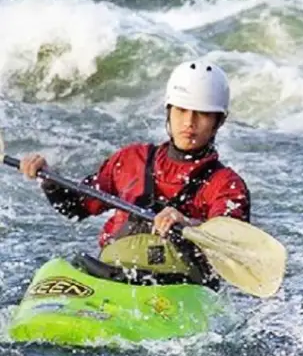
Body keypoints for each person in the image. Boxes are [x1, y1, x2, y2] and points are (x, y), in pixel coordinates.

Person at [18, 60, 250, 289]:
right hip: (111, 278)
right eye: (181, 110)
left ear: (219, 121)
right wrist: (49, 179)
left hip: (181, 290)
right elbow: (76, 208)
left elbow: (230, 245)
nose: (189, 122)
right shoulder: (130, 160)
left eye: (202, 114)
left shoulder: (226, 185)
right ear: (169, 111)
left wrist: (188, 223)